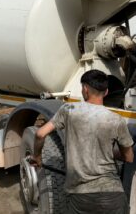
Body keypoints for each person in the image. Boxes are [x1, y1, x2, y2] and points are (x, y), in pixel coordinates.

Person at [33, 69, 134, 214]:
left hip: (81, 196)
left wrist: (37, 157)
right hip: (113, 195)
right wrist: (107, 151)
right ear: (106, 92)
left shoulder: (68, 109)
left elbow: (40, 134)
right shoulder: (116, 120)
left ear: (85, 89)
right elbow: (129, 157)